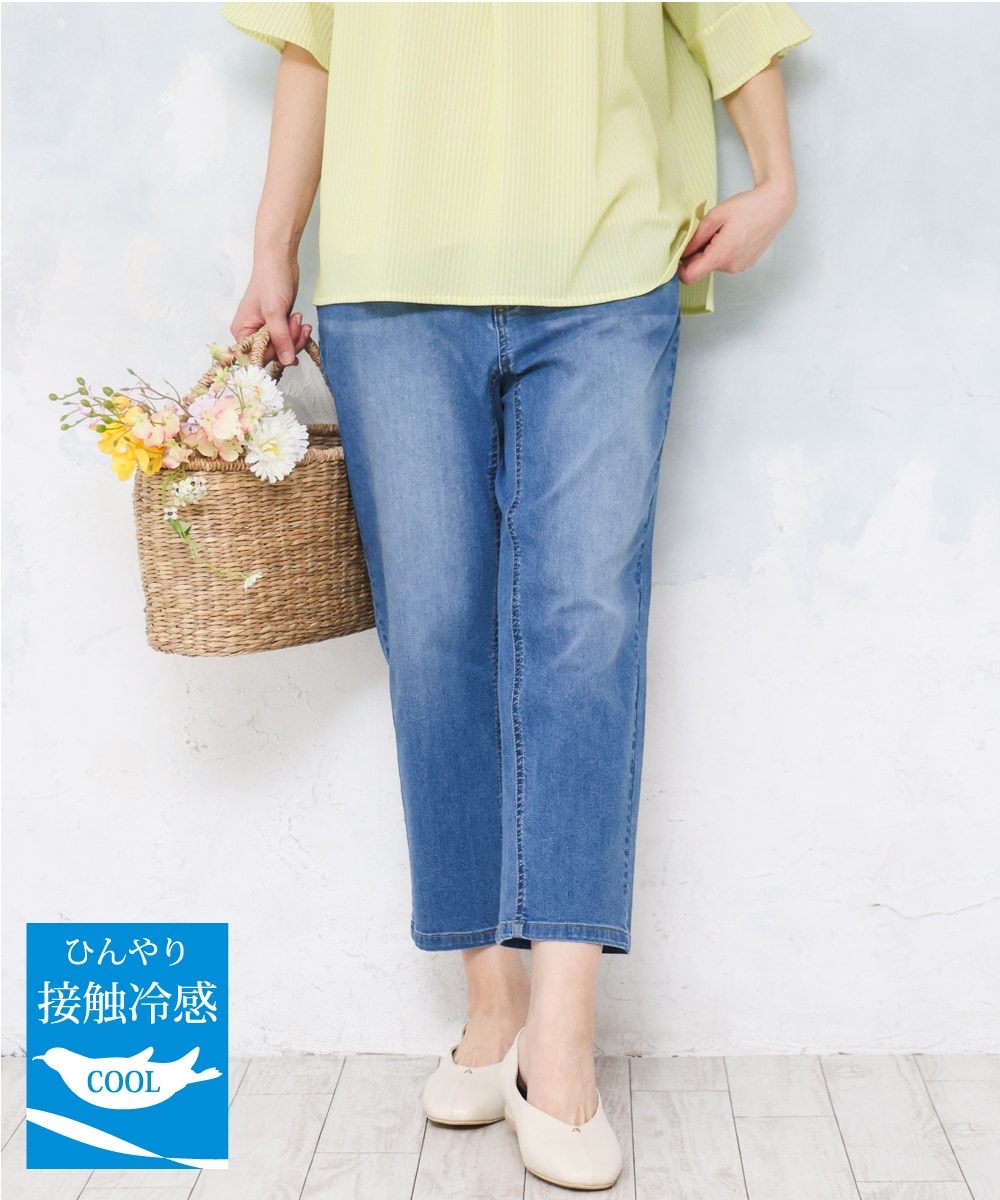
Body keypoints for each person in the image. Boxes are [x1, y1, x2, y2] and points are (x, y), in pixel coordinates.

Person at [222, 2, 813, 1189]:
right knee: (433, 629)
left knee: (586, 628)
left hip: (606, 270)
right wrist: (272, 249)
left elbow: (728, 12)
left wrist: (777, 179)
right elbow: (310, 38)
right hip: (393, 278)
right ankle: (491, 999)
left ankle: (562, 1039)